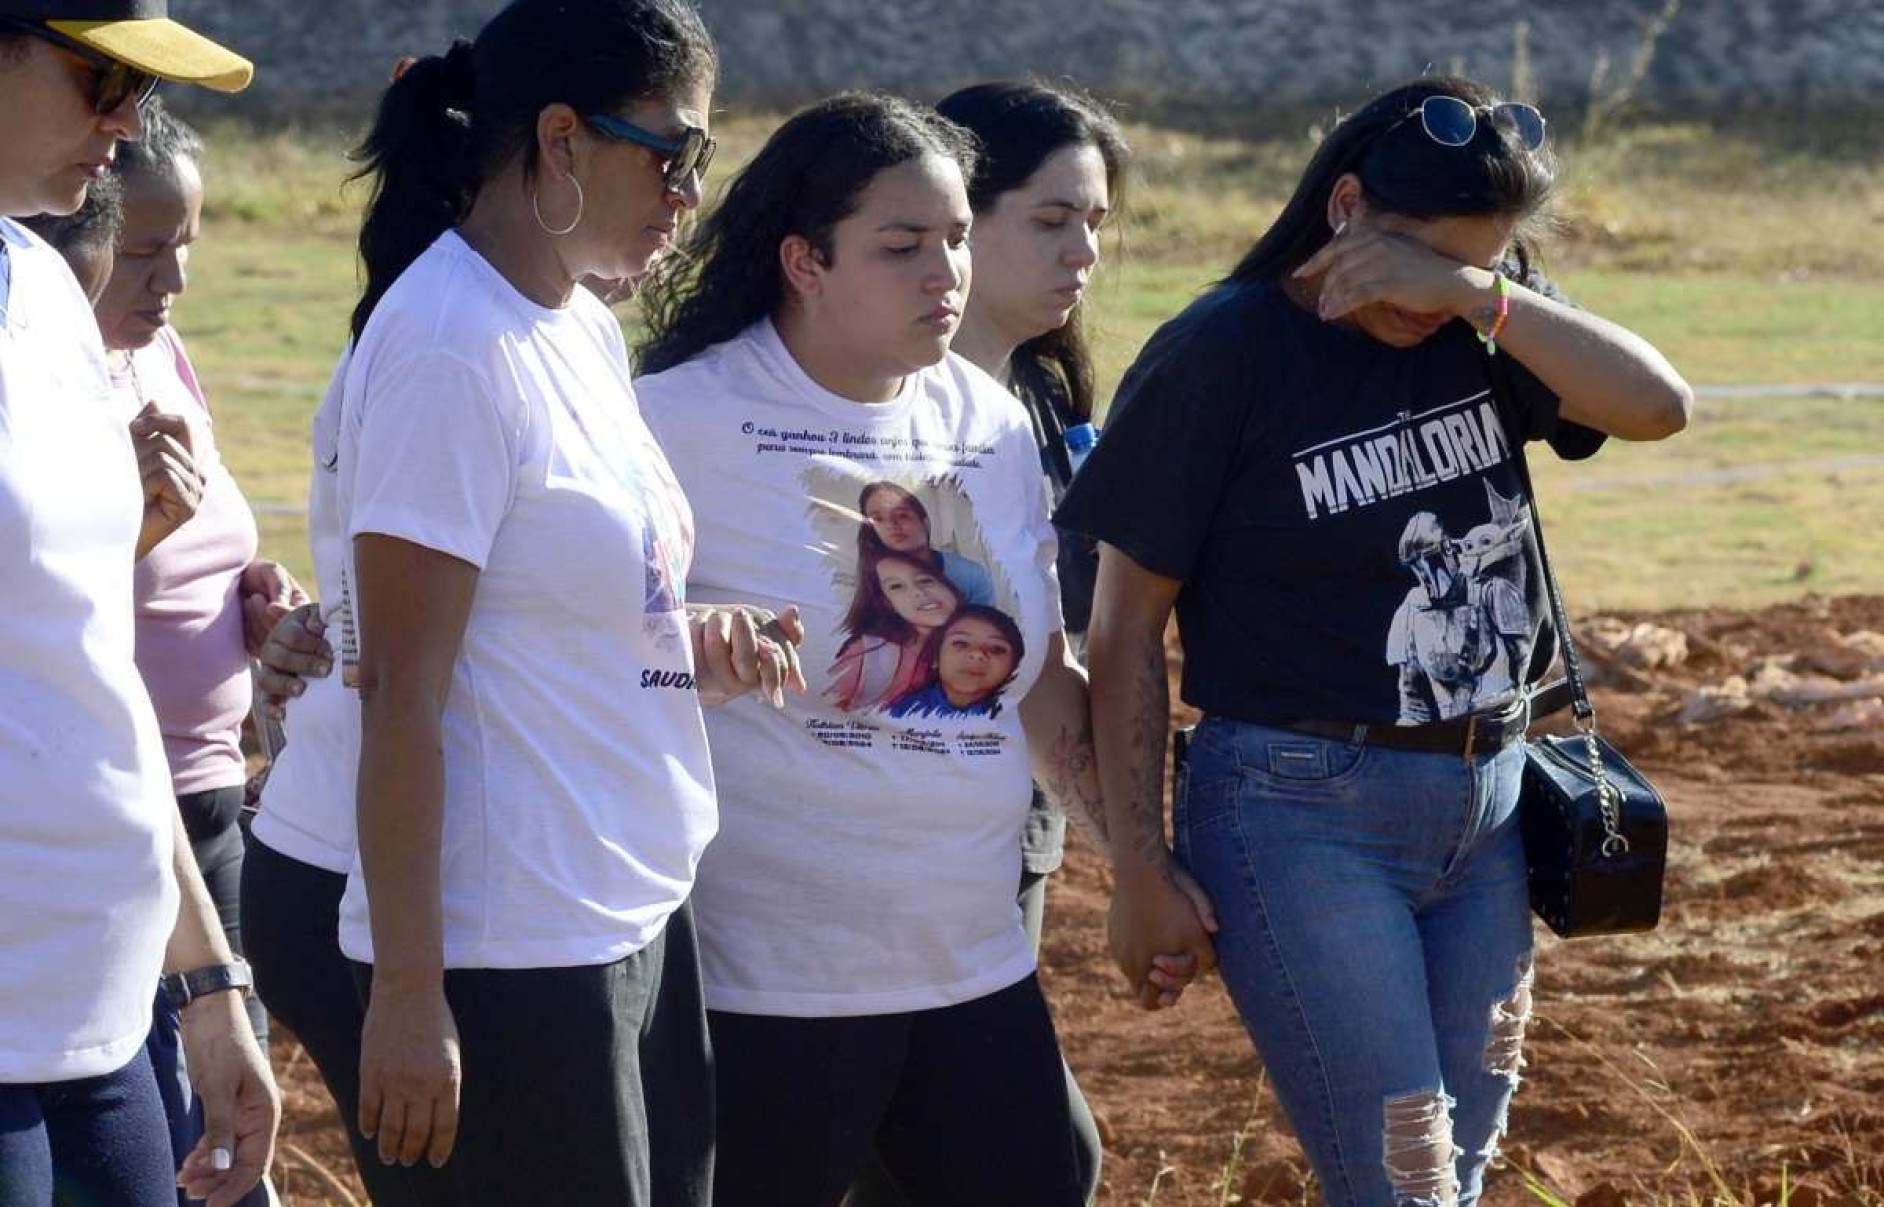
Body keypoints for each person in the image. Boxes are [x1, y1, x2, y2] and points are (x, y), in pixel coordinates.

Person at [1057, 76, 1692, 1207]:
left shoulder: (1479, 318)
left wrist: (1474, 293)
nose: (1429, 295)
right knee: (1403, 1179)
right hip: (1303, 812)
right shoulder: (1222, 353)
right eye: (1420, 257)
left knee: (1456, 1169)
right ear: (1344, 203)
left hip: (1491, 804)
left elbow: (1657, 404)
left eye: (1475, 262)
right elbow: (1124, 624)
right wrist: (1140, 869)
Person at [636, 92, 1197, 1207]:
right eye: (902, 247)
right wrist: (683, 652)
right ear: (804, 260)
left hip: (966, 951)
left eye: (951, 240)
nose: (944, 273)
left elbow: (1035, 682)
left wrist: (1141, 866)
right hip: (766, 972)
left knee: (1049, 1172)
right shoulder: (671, 419)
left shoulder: (986, 423)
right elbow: (566, 649)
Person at [308, 3, 796, 1204]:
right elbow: (404, 695)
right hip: (505, 948)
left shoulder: (576, 321)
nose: (691, 192)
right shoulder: (446, 348)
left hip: (622, 904)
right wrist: (412, 1000)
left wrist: (688, 657)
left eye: (703, 159)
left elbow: (560, 620)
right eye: (674, 152)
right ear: (564, 139)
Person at [0, 4, 278, 1207]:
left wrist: (210, 990)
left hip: (105, 1005)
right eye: (101, 73)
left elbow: (93, 674)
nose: (127, 119)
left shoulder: (45, 289)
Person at [852, 81, 1137, 1207]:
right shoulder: (872, 411)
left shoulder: (1036, 406)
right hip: (876, 857)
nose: (1083, 254)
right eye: (1051, 218)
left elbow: (1048, 652)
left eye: (1096, 225)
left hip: (1006, 836)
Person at [827, 548, 964, 711]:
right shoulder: (870, 656)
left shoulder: (983, 646)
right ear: (888, 605)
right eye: (896, 586)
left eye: (925, 580)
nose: (918, 592)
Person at [856, 480, 994, 604]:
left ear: (925, 522)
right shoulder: (872, 579)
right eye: (878, 519)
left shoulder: (970, 575)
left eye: (902, 515)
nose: (892, 525)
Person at [885, 604, 1024, 719]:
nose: (977, 654)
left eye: (996, 648)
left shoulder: (1021, 716)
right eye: (961, 643)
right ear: (935, 657)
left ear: (1015, 665)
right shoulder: (899, 713)